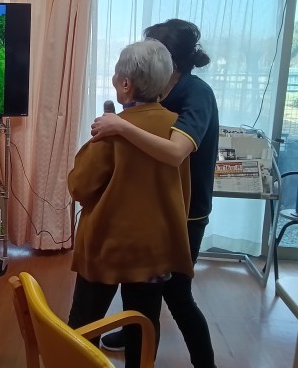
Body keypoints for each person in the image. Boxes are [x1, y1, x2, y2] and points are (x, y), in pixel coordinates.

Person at [93, 19, 218, 368]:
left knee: (177, 294)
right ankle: (133, 332)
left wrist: (120, 125)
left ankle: (205, 362)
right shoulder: (160, 93)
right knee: (141, 282)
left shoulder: (195, 95)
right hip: (158, 206)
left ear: (170, 62)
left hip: (186, 211)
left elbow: (176, 151)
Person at [67, 39, 194, 368]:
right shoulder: (176, 128)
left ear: (126, 84)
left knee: (85, 322)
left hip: (108, 245)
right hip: (154, 249)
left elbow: (80, 186)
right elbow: (182, 189)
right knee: (143, 324)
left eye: (115, 75)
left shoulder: (111, 130)